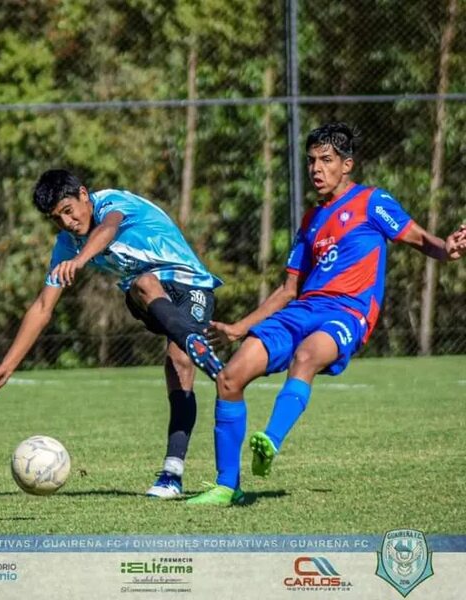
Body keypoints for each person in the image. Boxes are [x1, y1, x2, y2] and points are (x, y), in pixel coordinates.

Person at [187, 122, 466, 506]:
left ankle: (271, 439)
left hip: (348, 312)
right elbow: (288, 288)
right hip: (302, 310)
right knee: (231, 378)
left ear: (346, 164)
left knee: (306, 357)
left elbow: (418, 238)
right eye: (312, 161)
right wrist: (239, 328)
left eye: (326, 160)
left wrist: (446, 248)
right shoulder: (311, 221)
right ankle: (226, 485)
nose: (317, 169)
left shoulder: (372, 201)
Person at [0, 169, 224, 499]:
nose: (66, 223)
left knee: (178, 363)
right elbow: (42, 307)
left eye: (68, 210)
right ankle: (192, 339)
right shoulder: (67, 245)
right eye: (56, 219)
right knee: (141, 282)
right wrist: (7, 366)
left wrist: (80, 260)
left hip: (191, 285)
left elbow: (108, 229)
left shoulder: (112, 202)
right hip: (149, 293)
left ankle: (171, 474)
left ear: (83, 194)